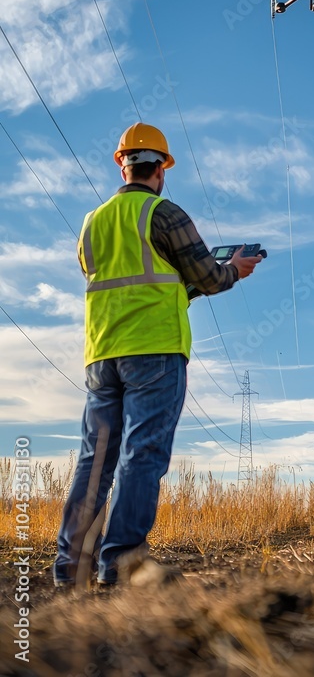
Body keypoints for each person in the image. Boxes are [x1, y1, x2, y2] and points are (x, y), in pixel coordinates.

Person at [53, 123, 261, 588]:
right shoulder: (164, 214)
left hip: (102, 354)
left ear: (121, 163)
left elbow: (136, 282)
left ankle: (72, 567)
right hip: (156, 351)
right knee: (141, 455)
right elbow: (208, 277)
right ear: (161, 170)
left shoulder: (92, 224)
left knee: (95, 460)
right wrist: (236, 269)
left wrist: (183, 286)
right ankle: (122, 564)